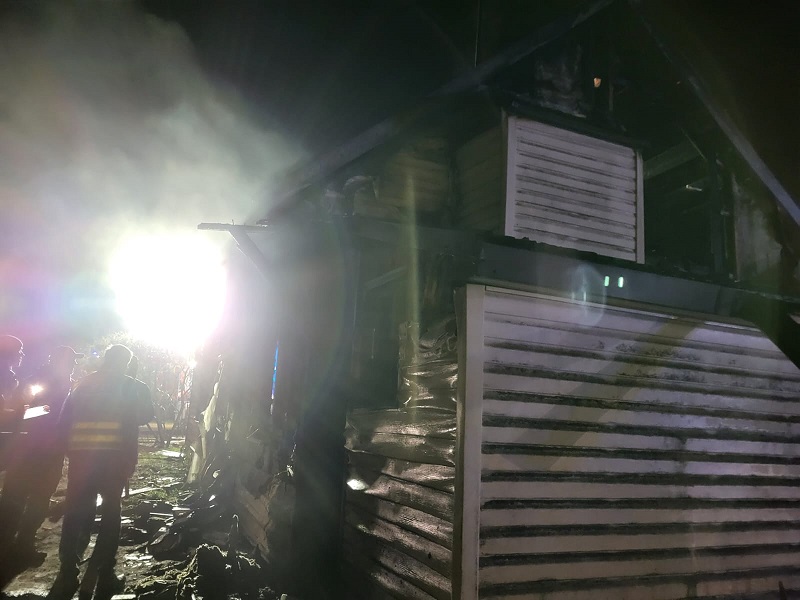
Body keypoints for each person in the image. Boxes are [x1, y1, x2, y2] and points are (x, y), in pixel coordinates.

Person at [48, 345, 153, 600]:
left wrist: (69, 452)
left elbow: (63, 422)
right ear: (126, 363)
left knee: (76, 512)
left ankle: (68, 570)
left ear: (106, 360)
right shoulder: (133, 386)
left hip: (83, 460)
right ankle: (105, 572)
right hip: (113, 462)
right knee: (110, 514)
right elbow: (146, 415)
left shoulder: (83, 384)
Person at [0, 346, 83, 575]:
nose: (73, 364)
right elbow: (22, 413)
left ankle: (22, 545)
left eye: (74, 361)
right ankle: (10, 547)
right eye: (70, 360)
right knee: (19, 498)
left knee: (36, 498)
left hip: (46, 451)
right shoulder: (39, 382)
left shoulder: (65, 383)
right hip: (32, 450)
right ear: (58, 361)